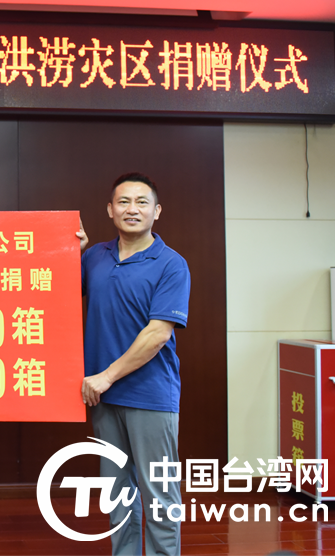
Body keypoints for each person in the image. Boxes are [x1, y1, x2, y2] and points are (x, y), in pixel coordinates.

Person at [77, 172, 190, 556]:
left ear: (157, 211)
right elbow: (54, 294)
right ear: (110, 210)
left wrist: (106, 376)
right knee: (117, 493)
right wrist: (69, 252)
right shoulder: (95, 257)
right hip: (103, 397)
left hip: (149, 395)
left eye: (142, 202)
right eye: (123, 202)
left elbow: (157, 334)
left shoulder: (171, 264)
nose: (132, 209)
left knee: (159, 494)